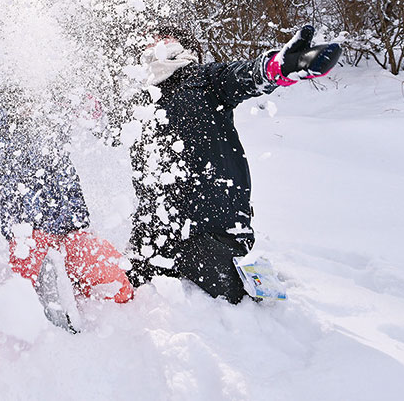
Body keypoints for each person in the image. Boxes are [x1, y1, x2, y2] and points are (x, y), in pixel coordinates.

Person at [126, 24, 340, 304]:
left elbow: (245, 76)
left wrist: (278, 67)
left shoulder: (204, 79)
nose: (155, 44)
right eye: (148, 41)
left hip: (211, 232)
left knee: (238, 311)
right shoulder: (138, 102)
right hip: (153, 237)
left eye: (164, 37)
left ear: (182, 45)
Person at [0, 85, 133, 331]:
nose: (27, 106)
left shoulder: (52, 110)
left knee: (117, 285)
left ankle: (72, 289)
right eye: (20, 100)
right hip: (29, 234)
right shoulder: (4, 138)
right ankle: (54, 319)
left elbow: (100, 120)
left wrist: (88, 102)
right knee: (32, 297)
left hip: (72, 230)